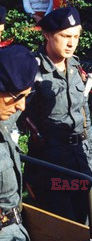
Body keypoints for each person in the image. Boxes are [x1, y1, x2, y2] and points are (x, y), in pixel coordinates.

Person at [23, 6, 92, 223]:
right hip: (51, 160)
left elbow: (83, 106)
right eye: (65, 36)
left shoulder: (74, 65)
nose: (72, 43)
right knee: (61, 223)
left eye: (76, 36)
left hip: (82, 155)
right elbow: (15, 110)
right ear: (47, 34)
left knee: (86, 218)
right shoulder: (32, 69)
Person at [0, 45, 38, 241]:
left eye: (27, 96)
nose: (22, 106)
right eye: (17, 97)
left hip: (16, 229)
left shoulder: (3, 122)